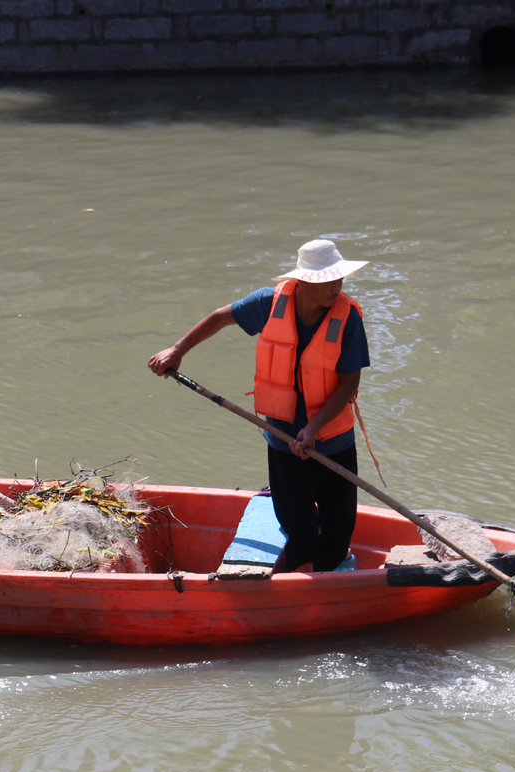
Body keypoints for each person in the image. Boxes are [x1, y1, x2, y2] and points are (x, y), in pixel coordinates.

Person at [147, 239, 370, 574]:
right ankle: (293, 578)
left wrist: (314, 428)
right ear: (305, 281)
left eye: (340, 279)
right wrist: (177, 350)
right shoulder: (269, 303)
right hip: (282, 439)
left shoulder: (347, 317)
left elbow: (349, 383)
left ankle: (331, 575)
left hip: (333, 442)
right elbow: (220, 318)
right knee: (301, 534)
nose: (337, 287)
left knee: (337, 537)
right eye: (330, 280)